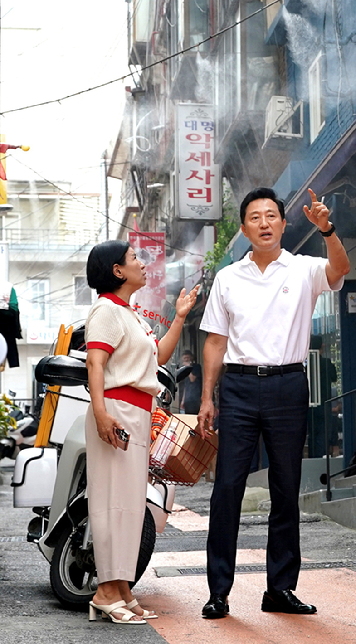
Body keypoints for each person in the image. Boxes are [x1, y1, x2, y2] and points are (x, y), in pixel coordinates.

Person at [197, 187, 350, 619]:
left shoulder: (303, 269)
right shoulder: (228, 278)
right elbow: (215, 342)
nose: (264, 223)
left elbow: (341, 269)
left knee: (286, 488)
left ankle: (279, 589)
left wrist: (328, 231)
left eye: (272, 216)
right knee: (227, 488)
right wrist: (208, 397)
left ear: (284, 224)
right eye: (255, 217)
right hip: (240, 389)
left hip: (288, 386)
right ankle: (219, 592)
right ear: (244, 228)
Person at [84, 240, 198, 624]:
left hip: (135, 412)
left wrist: (180, 316)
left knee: (131, 504)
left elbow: (159, 357)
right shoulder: (105, 310)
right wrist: (101, 414)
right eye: (134, 258)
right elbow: (95, 365)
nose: (142, 263)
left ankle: (122, 589)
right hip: (115, 411)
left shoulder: (130, 315)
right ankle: (104, 591)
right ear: (117, 271)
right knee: (112, 501)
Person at [178, 350, 202, 414]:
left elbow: (192, 379)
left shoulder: (196, 367)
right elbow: (185, 386)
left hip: (195, 398)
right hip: (187, 399)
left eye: (187, 358)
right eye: (184, 358)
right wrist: (183, 400)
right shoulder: (184, 370)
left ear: (191, 358)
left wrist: (187, 367)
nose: (186, 360)